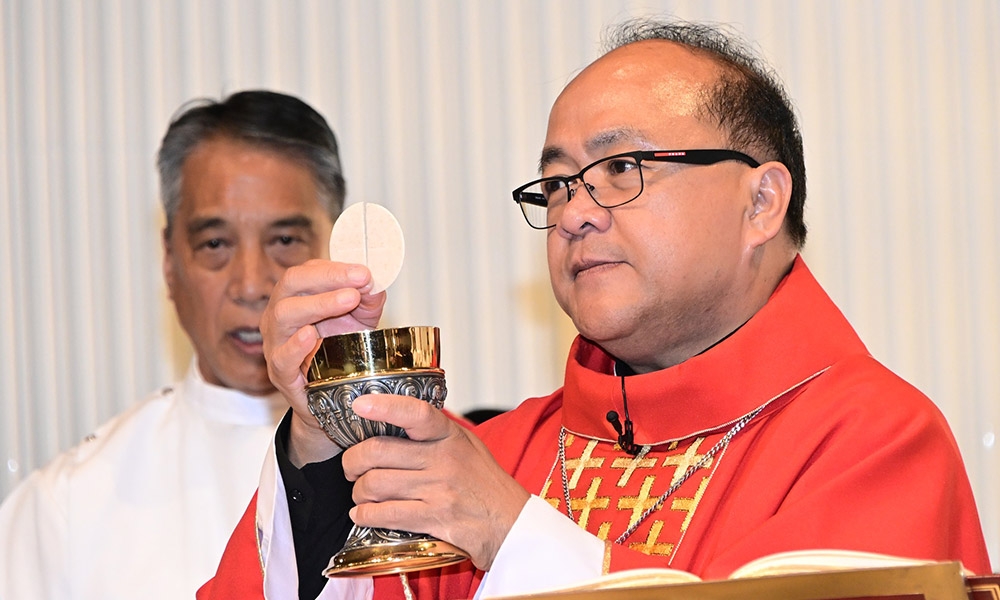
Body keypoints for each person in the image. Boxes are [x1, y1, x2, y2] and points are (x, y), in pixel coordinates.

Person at [200, 19, 991, 600]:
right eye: (558, 183)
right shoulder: (499, 455)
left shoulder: (875, 445)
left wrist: (515, 538)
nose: (574, 211)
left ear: (761, 201)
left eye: (621, 168)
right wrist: (322, 432)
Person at [0, 90, 347, 599]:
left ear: (338, 248)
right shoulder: (67, 508)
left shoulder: (422, 468)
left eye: (285, 241)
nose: (251, 285)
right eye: (215, 244)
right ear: (169, 261)